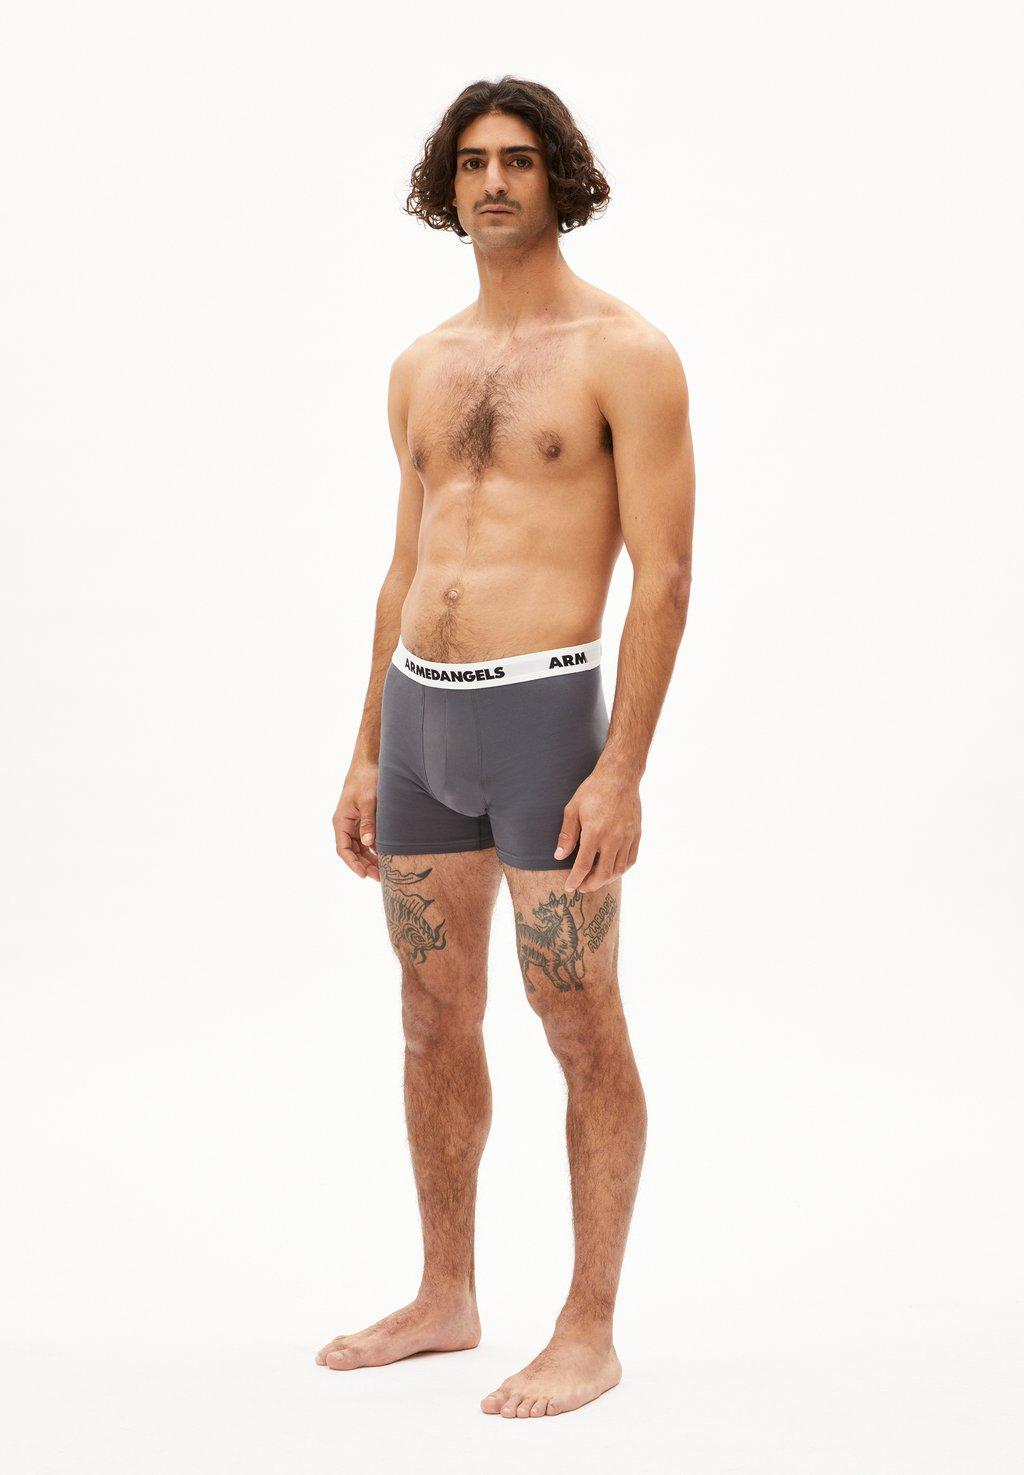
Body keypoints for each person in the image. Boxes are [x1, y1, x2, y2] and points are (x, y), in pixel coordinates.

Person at [316, 75, 695, 1418]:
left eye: (518, 160)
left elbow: (663, 575)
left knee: (577, 1017)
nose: (492, 181)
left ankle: (588, 1326)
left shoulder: (624, 353)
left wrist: (622, 768)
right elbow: (404, 565)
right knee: (431, 1014)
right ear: (448, 185)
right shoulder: (420, 364)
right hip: (420, 718)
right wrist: (367, 750)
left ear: (558, 179)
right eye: (472, 161)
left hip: (545, 722)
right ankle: (446, 1294)